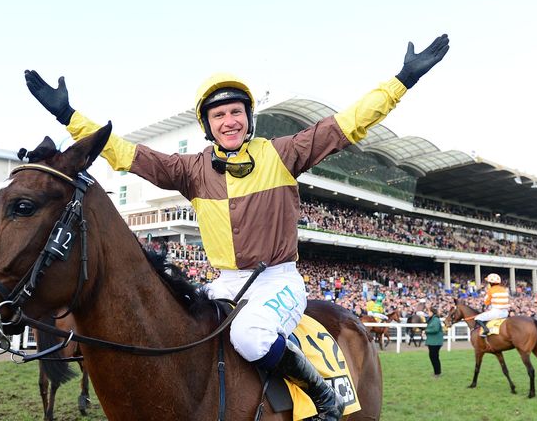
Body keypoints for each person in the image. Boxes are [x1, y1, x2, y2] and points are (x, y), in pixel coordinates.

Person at [25, 34, 449, 420]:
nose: (229, 120)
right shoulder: (189, 171)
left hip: (277, 281)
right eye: (219, 115)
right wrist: (68, 114)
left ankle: (323, 397)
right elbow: (124, 153)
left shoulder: (283, 154)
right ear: (207, 126)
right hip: (225, 283)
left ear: (248, 118)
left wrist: (401, 81)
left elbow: (347, 124)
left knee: (249, 336)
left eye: (236, 112)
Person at [424, 305, 444, 377]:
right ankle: (437, 372)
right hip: (433, 341)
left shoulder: (435, 320)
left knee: (434, 357)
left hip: (435, 342)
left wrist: (426, 331)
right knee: (434, 357)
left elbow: (435, 329)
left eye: (428, 312)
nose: (428, 313)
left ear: (432, 312)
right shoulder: (432, 319)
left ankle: (437, 373)